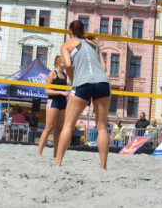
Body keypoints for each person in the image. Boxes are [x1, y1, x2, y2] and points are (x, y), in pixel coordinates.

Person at [54, 20, 111, 169]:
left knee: (68, 124)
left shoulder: (66, 45)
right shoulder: (94, 43)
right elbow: (104, 67)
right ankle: (103, 166)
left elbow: (67, 65)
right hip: (102, 83)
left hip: (82, 83)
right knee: (102, 127)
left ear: (69, 31)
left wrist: (73, 79)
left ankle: (58, 162)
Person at [37, 55, 71, 158]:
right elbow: (47, 91)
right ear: (59, 63)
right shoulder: (52, 74)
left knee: (59, 130)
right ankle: (39, 153)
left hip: (62, 102)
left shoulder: (64, 75)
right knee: (48, 128)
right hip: (53, 101)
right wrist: (61, 93)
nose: (66, 64)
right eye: (64, 62)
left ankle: (56, 154)